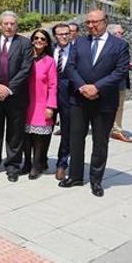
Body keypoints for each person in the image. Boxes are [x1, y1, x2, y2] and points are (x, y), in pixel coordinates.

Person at [59, 10, 130, 198]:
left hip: (104, 101)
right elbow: (70, 67)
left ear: (105, 21)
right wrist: (82, 86)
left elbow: (120, 71)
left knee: (100, 142)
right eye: (88, 22)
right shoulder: (79, 42)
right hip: (79, 100)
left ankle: (96, 180)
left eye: (95, 22)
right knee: (75, 139)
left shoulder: (120, 45)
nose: (91, 25)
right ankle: (75, 176)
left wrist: (96, 87)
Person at [0, 11, 33, 182]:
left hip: (16, 95)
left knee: (15, 131)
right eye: (6, 23)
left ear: (16, 26)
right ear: (0, 25)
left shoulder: (24, 43)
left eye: (12, 24)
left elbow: (26, 69)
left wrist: (8, 89)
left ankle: (12, 165)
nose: (9, 26)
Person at [23, 29, 57, 180]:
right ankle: (27, 163)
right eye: (36, 38)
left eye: (42, 39)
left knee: (39, 138)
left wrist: (51, 106)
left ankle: (37, 165)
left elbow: (53, 85)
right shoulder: (25, 58)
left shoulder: (49, 61)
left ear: (47, 43)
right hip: (25, 103)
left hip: (42, 104)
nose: (39, 41)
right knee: (26, 137)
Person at [52, 23, 74, 181]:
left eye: (67, 33)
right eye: (60, 34)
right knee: (42, 130)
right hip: (48, 97)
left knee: (67, 132)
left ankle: (62, 164)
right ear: (55, 36)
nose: (64, 36)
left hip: (69, 97)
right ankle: (39, 161)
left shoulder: (77, 51)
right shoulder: (48, 49)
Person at [108, 23, 132, 143]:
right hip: (110, 82)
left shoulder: (122, 45)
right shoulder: (106, 46)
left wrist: (129, 66)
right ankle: (114, 130)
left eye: (121, 33)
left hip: (120, 82)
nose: (121, 35)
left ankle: (116, 129)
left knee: (119, 107)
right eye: (118, 33)